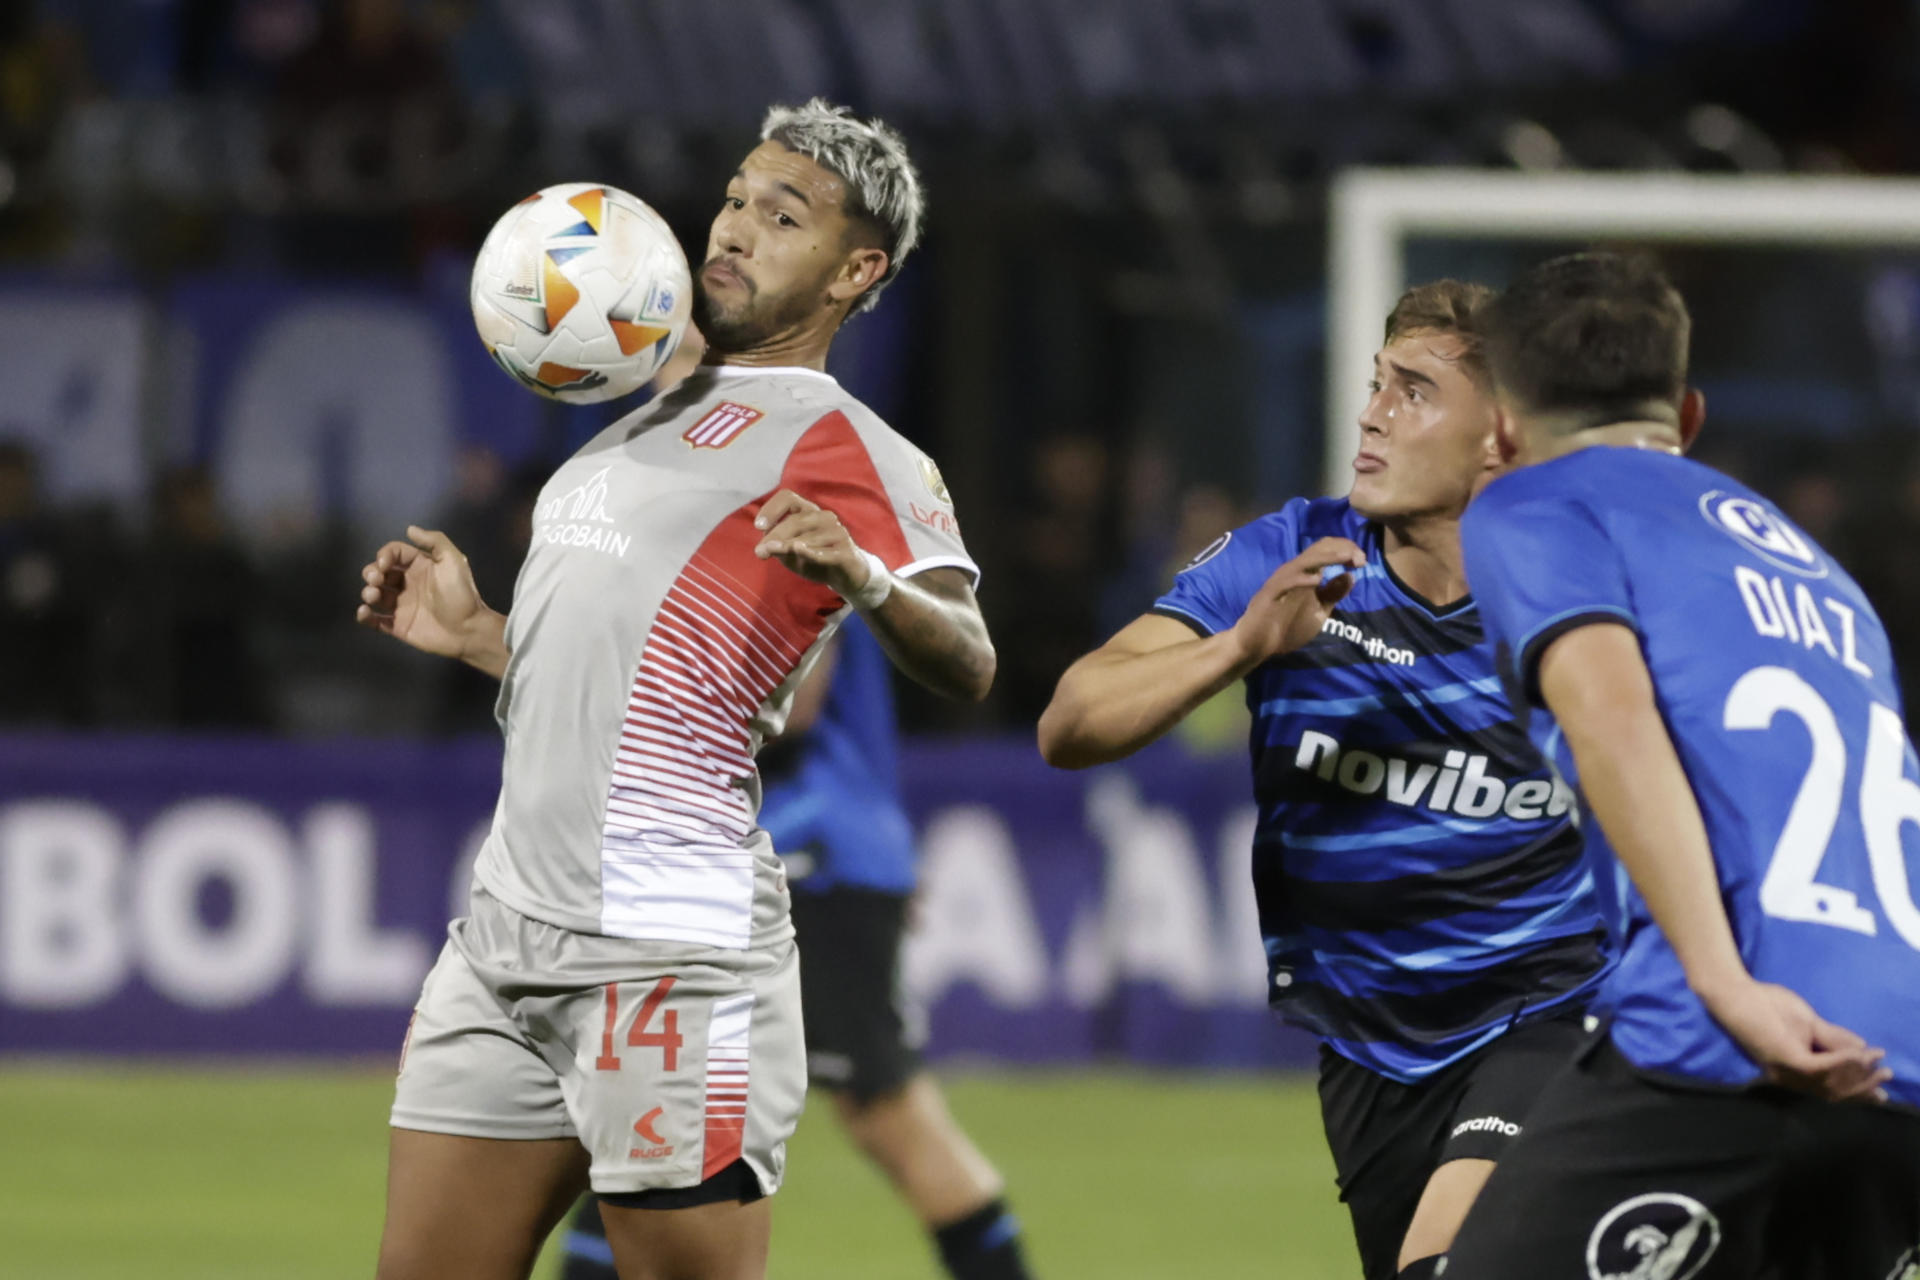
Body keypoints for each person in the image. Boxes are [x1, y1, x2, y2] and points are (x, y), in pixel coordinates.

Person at [355, 99, 993, 1280]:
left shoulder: (849, 445)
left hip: (665, 949)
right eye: (738, 197)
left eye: (782, 214)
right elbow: (635, 681)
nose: (736, 229)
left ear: (857, 270)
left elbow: (968, 652)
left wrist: (862, 574)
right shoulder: (629, 421)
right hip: (505, 936)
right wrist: (483, 632)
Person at [1037, 281, 1610, 1280]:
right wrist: (1241, 648)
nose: (1373, 413)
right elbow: (1072, 720)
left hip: (1549, 1003)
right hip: (1369, 1039)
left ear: (1499, 435)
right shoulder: (1293, 553)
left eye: (1416, 391)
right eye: (1378, 383)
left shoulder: (1578, 591)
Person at [1445, 251, 1919, 1278]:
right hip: (1900, 1060)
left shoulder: (1538, 505)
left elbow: (1610, 709)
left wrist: (1724, 983)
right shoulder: (1823, 573)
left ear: (1504, 430)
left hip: (1738, 1036)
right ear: (1687, 417)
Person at [561, 616, 1038, 1280]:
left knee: (885, 1123)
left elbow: (795, 700)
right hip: (802, 855)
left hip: (813, 861)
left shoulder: (784, 529)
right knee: (655, 1113)